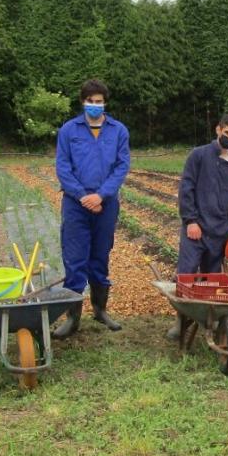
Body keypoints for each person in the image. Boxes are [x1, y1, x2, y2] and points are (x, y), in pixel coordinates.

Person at [52, 78, 131, 338]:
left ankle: (100, 310)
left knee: (100, 256)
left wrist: (102, 195)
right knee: (75, 260)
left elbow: (121, 166)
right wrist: (83, 196)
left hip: (106, 205)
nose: (94, 106)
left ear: (104, 103)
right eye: (90, 102)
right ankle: (72, 318)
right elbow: (63, 167)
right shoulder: (69, 130)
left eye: (99, 102)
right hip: (76, 206)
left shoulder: (118, 131)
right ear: (82, 102)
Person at [167, 114, 228, 339]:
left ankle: (208, 318)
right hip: (196, 230)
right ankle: (180, 322)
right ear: (218, 130)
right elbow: (187, 189)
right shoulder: (199, 155)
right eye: (227, 133)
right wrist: (190, 220)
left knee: (212, 280)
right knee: (187, 275)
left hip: (219, 232)